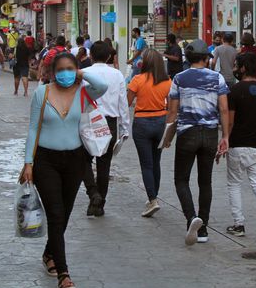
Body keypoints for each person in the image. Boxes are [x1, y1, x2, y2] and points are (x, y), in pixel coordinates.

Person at [19, 52, 107, 288]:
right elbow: (33, 127)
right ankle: (64, 273)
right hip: (45, 161)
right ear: (52, 72)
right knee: (56, 213)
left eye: (70, 68)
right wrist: (28, 163)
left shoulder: (84, 92)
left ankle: (49, 252)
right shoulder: (42, 93)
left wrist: (81, 73)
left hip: (76, 161)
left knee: (65, 214)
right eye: (61, 69)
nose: (65, 73)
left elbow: (103, 85)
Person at [164, 39, 229, 245]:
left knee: (181, 179)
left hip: (187, 133)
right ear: (205, 58)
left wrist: (167, 135)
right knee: (205, 181)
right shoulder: (217, 78)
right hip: (210, 134)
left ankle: (192, 217)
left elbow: (172, 111)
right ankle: (203, 229)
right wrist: (225, 136)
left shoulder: (179, 79)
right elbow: (224, 109)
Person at [225, 52, 256, 244]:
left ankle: (238, 223)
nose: (235, 69)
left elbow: (229, 122)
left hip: (237, 144)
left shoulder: (235, 90)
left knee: (234, 183)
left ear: (244, 67)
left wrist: (224, 141)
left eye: (237, 65)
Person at [79, 41, 130, 217]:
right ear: (109, 56)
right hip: (109, 122)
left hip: (88, 120)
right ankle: (99, 204)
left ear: (91, 56)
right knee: (104, 164)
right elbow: (123, 103)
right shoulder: (117, 75)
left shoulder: (84, 73)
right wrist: (125, 128)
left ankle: (93, 193)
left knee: (83, 160)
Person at [127, 48, 172, 218]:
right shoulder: (167, 81)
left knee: (146, 164)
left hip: (142, 123)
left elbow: (127, 102)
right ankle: (153, 197)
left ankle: (152, 199)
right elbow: (173, 104)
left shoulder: (137, 79)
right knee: (156, 162)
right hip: (160, 122)